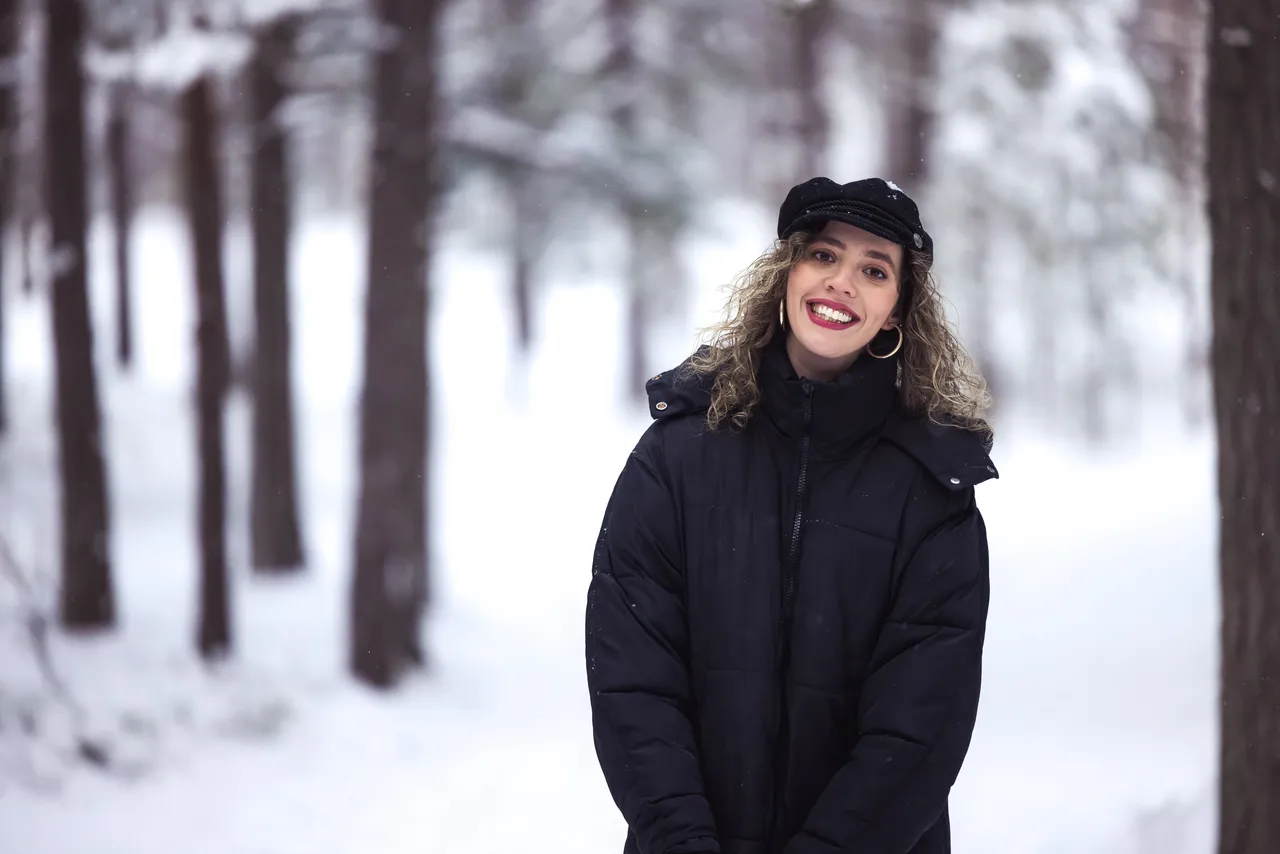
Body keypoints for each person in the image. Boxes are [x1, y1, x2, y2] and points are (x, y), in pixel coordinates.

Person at [584, 177, 997, 854]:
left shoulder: (931, 490)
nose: (841, 282)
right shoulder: (677, 455)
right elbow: (633, 682)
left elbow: (921, 726)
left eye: (874, 270)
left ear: (896, 311)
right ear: (786, 273)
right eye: (823, 255)